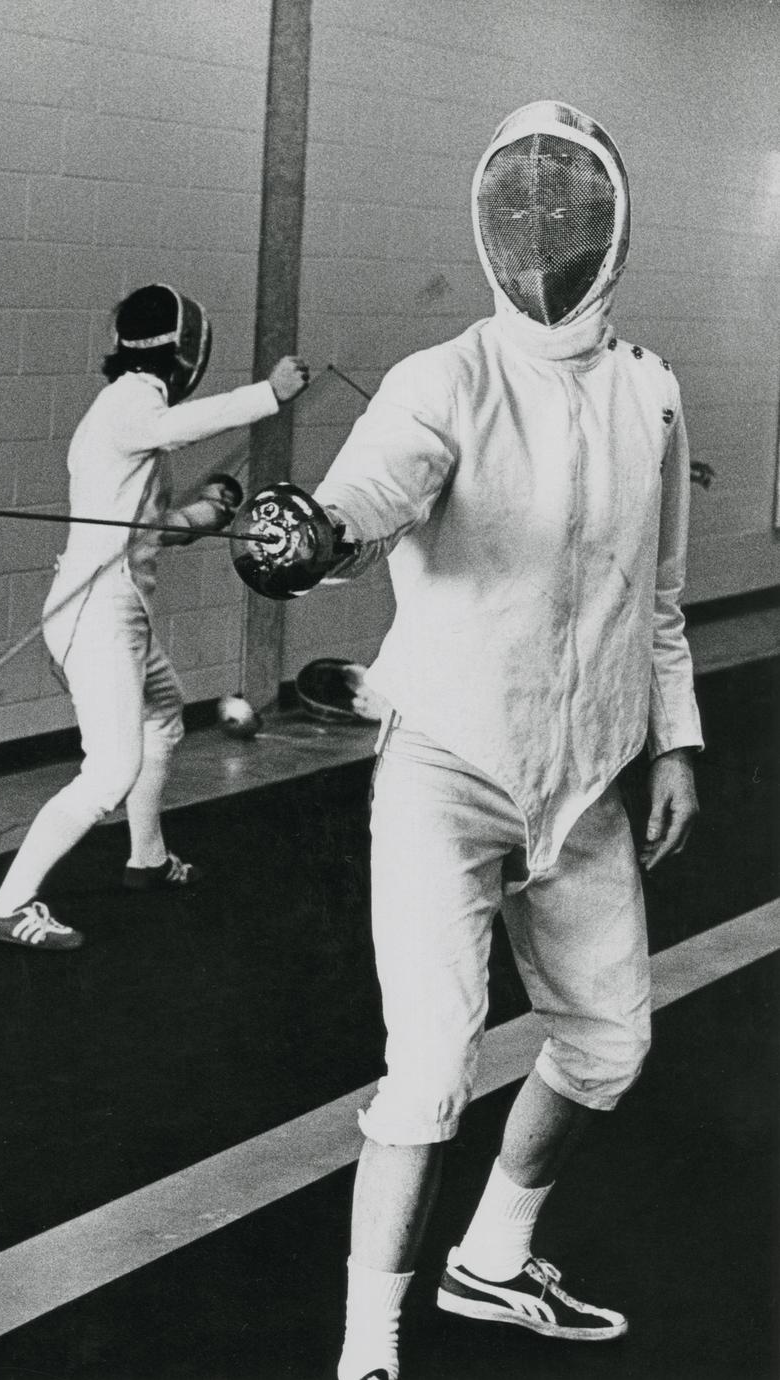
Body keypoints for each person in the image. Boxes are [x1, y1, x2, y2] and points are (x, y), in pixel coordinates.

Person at [236, 101, 700, 1380]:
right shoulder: (440, 382)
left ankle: (492, 1259)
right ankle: (366, 1355)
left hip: (592, 774)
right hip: (446, 767)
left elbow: (657, 599)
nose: (543, 230)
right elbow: (370, 492)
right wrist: (312, 533)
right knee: (430, 1066)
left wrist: (673, 742)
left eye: (568, 206)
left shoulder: (651, 394)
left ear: (611, 223)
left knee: (608, 1043)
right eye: (520, 207)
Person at [0, 284, 309, 949]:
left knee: (164, 714)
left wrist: (209, 512)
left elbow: (150, 528)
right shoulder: (133, 400)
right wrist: (266, 396)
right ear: (184, 348)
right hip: (95, 613)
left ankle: (147, 859)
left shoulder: (129, 410)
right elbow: (171, 431)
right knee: (109, 771)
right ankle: (9, 904)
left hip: (118, 610)